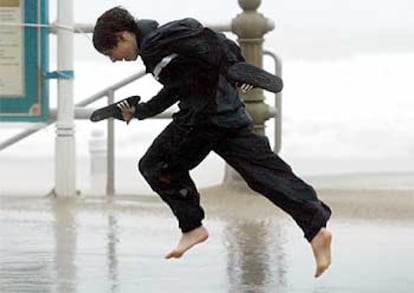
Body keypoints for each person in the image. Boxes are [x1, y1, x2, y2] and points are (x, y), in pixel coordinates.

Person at [92, 6, 332, 278]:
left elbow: (197, 34)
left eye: (110, 53)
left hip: (202, 119)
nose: (113, 60)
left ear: (122, 36)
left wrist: (232, 67)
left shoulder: (157, 42)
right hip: (228, 112)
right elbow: (182, 83)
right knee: (266, 174)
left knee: (155, 165)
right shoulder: (160, 46)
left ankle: (193, 227)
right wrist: (141, 111)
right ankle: (316, 230)